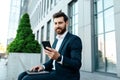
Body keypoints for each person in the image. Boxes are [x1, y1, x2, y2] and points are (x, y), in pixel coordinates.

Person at [18, 11, 82, 80]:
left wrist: (59, 58)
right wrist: (42, 66)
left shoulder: (74, 39)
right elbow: (52, 62)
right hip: (52, 72)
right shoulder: (56, 40)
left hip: (65, 76)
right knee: (21, 75)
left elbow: (76, 64)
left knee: (26, 79)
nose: (57, 26)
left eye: (60, 23)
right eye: (55, 23)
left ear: (66, 23)